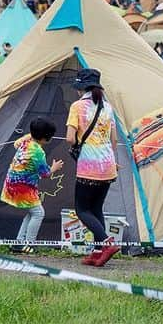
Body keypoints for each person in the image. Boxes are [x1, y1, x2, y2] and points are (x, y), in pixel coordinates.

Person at [65, 68, 119, 267]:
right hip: (108, 164)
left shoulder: (77, 107)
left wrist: (78, 144)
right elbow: (114, 140)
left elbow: (70, 138)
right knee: (96, 208)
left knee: (82, 209)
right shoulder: (108, 107)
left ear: (81, 88)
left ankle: (106, 243)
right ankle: (97, 252)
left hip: (89, 165)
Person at [2, 118, 63, 254]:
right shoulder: (38, 152)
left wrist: (31, 134)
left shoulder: (25, 141)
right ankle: (28, 244)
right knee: (39, 213)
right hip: (23, 188)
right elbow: (45, 173)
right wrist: (54, 167)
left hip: (13, 184)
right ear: (45, 138)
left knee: (32, 212)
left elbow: (15, 145)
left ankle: (19, 243)